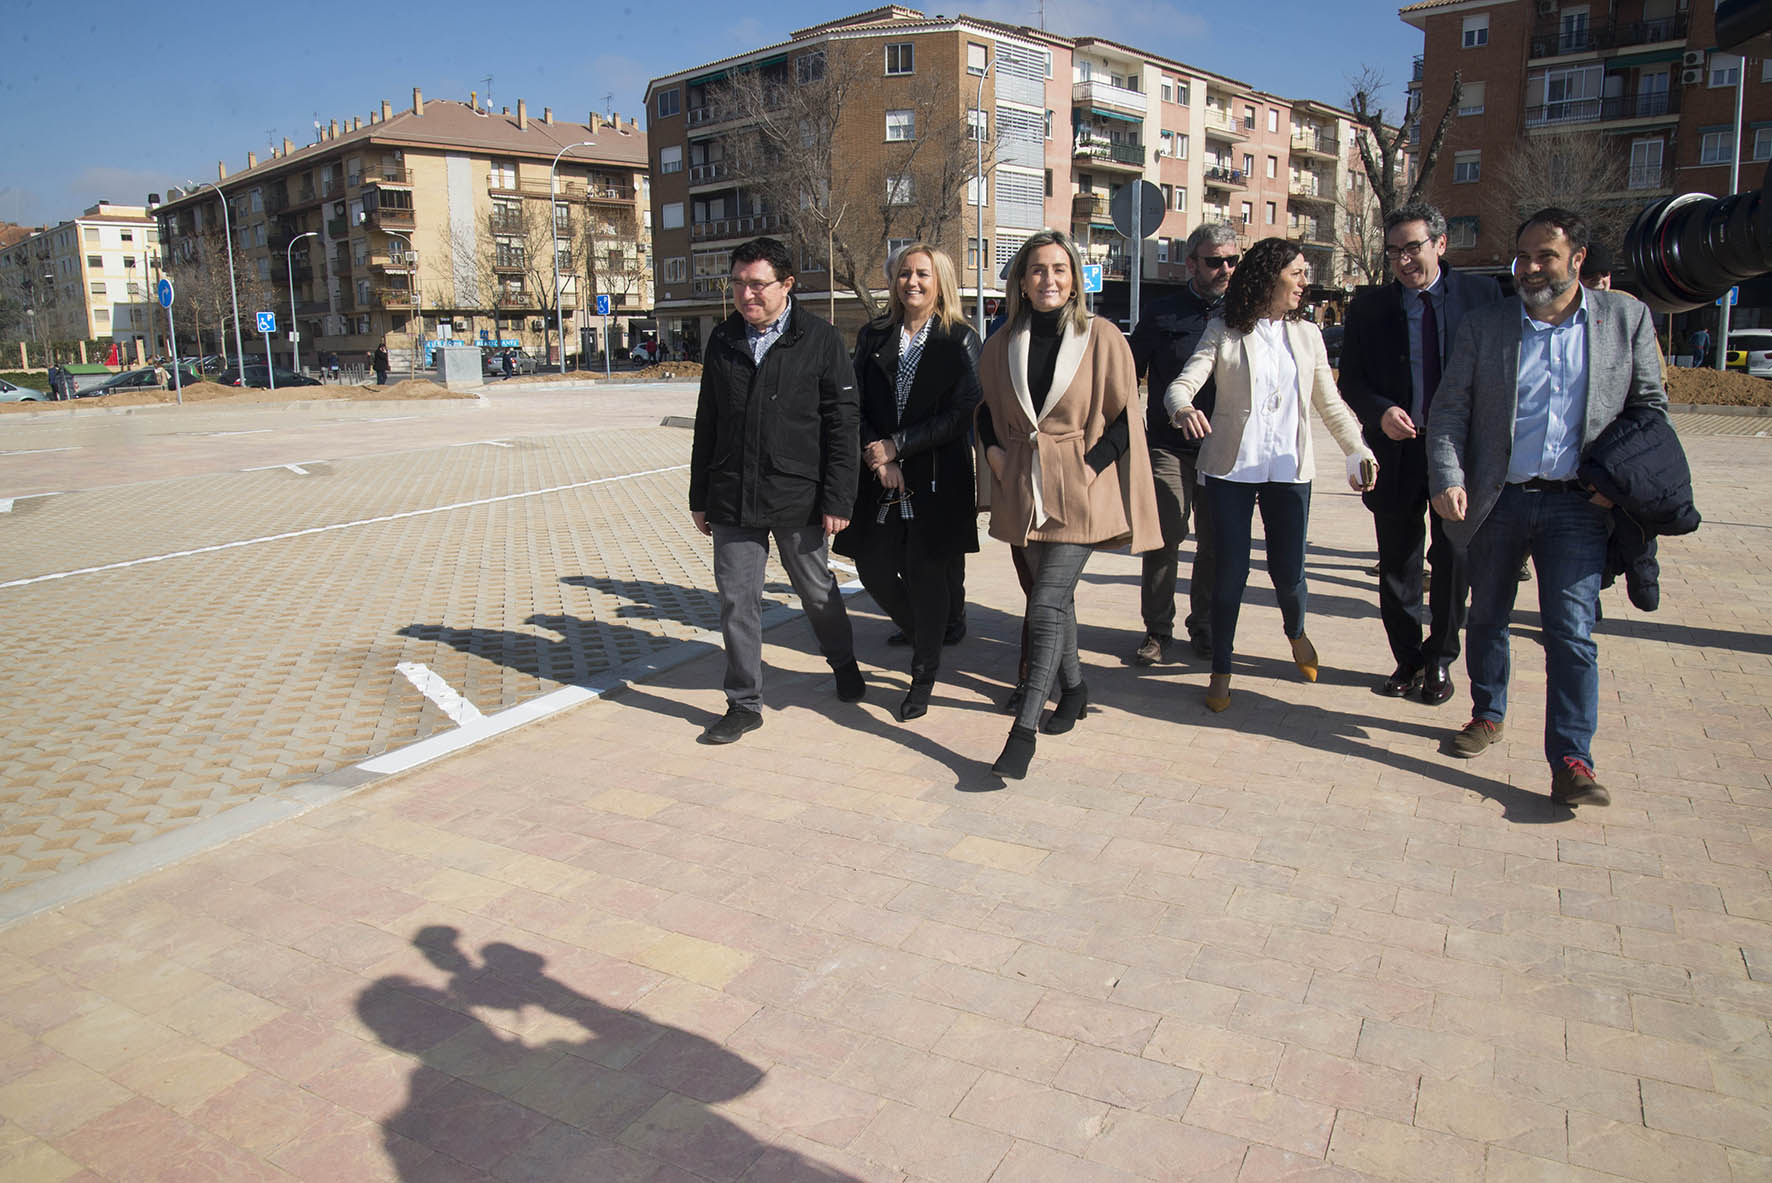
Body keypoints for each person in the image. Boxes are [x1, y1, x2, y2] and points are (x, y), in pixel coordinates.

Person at [1429, 208, 1667, 808]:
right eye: (1524, 256)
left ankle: (1571, 759)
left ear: (1578, 259)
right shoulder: (1487, 326)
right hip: (1498, 499)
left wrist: (1615, 484)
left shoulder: (1625, 319)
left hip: (1579, 507)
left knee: (1571, 632)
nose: (1531, 268)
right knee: (1486, 617)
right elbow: (1450, 410)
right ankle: (1487, 713)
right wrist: (1448, 477)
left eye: (1546, 257)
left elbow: (1649, 412)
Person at [1164, 237, 1377, 713]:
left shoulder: (1308, 336)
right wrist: (1181, 409)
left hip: (1288, 470)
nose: (1306, 282)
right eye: (1297, 273)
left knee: (1288, 571)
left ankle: (1296, 630)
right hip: (1230, 470)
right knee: (1230, 572)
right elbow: (1184, 384)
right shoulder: (1224, 329)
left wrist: (1357, 448)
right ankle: (1222, 666)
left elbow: (1329, 403)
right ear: (1269, 277)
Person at [976, 229, 1161, 778]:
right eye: (1037, 270)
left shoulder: (1103, 336)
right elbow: (984, 407)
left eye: (1059, 269)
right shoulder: (1004, 338)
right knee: (1055, 601)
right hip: (1025, 486)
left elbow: (1128, 417)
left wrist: (1089, 465)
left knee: (1045, 603)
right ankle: (1075, 690)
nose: (1049, 279)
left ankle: (1023, 731)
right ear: (1022, 281)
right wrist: (993, 454)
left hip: (1081, 487)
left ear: (1075, 278)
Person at [688, 236, 865, 745]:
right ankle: (743, 703)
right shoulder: (723, 339)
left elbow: (842, 423)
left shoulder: (821, 339)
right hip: (732, 495)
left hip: (799, 495)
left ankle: (843, 662)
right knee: (737, 600)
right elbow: (708, 422)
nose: (747, 294)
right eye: (739, 284)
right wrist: (700, 495)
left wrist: (838, 498)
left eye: (758, 284)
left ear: (787, 284)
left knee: (815, 589)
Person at [1340, 203, 1504, 706]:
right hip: (1397, 451)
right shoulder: (1370, 306)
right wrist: (1382, 410)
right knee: (1398, 562)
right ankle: (1408, 658)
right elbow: (1351, 380)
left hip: (1457, 453)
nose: (1403, 260)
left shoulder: (1483, 297)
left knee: (1454, 557)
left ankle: (1441, 657)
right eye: (1393, 252)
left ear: (1440, 243)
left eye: (1412, 247)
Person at [833, 243, 981, 722]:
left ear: (939, 281)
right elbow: (854, 404)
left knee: (926, 573)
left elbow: (964, 413)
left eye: (922, 274)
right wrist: (879, 456)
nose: (911, 282)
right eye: (903, 274)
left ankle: (924, 674)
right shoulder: (875, 333)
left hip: (937, 475)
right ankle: (923, 632)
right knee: (873, 567)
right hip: (880, 474)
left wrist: (901, 445)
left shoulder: (959, 338)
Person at [1128, 222, 1237, 665]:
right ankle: (1157, 631)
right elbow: (1128, 371)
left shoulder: (1245, 314)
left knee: (1215, 543)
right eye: (1214, 261)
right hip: (1169, 446)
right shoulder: (1162, 312)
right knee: (1165, 536)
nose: (1225, 269)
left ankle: (1204, 626)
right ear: (1191, 263)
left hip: (1224, 449)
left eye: (1232, 260)